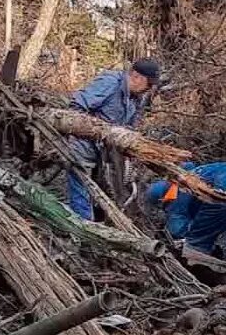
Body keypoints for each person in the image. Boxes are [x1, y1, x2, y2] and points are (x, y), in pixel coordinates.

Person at [66, 58, 160, 220]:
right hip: (82, 147)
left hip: (105, 154)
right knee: (81, 191)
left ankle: (100, 223)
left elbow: (129, 125)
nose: (149, 89)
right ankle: (84, 232)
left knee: (102, 193)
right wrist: (94, 129)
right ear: (136, 76)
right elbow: (77, 107)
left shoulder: (137, 98)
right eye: (148, 83)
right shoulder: (110, 82)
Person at [146, 161, 226, 275]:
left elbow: (178, 230)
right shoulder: (188, 172)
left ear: (162, 199)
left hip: (221, 192)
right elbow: (187, 164)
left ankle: (206, 280)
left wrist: (192, 229)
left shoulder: (175, 199)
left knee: (195, 247)